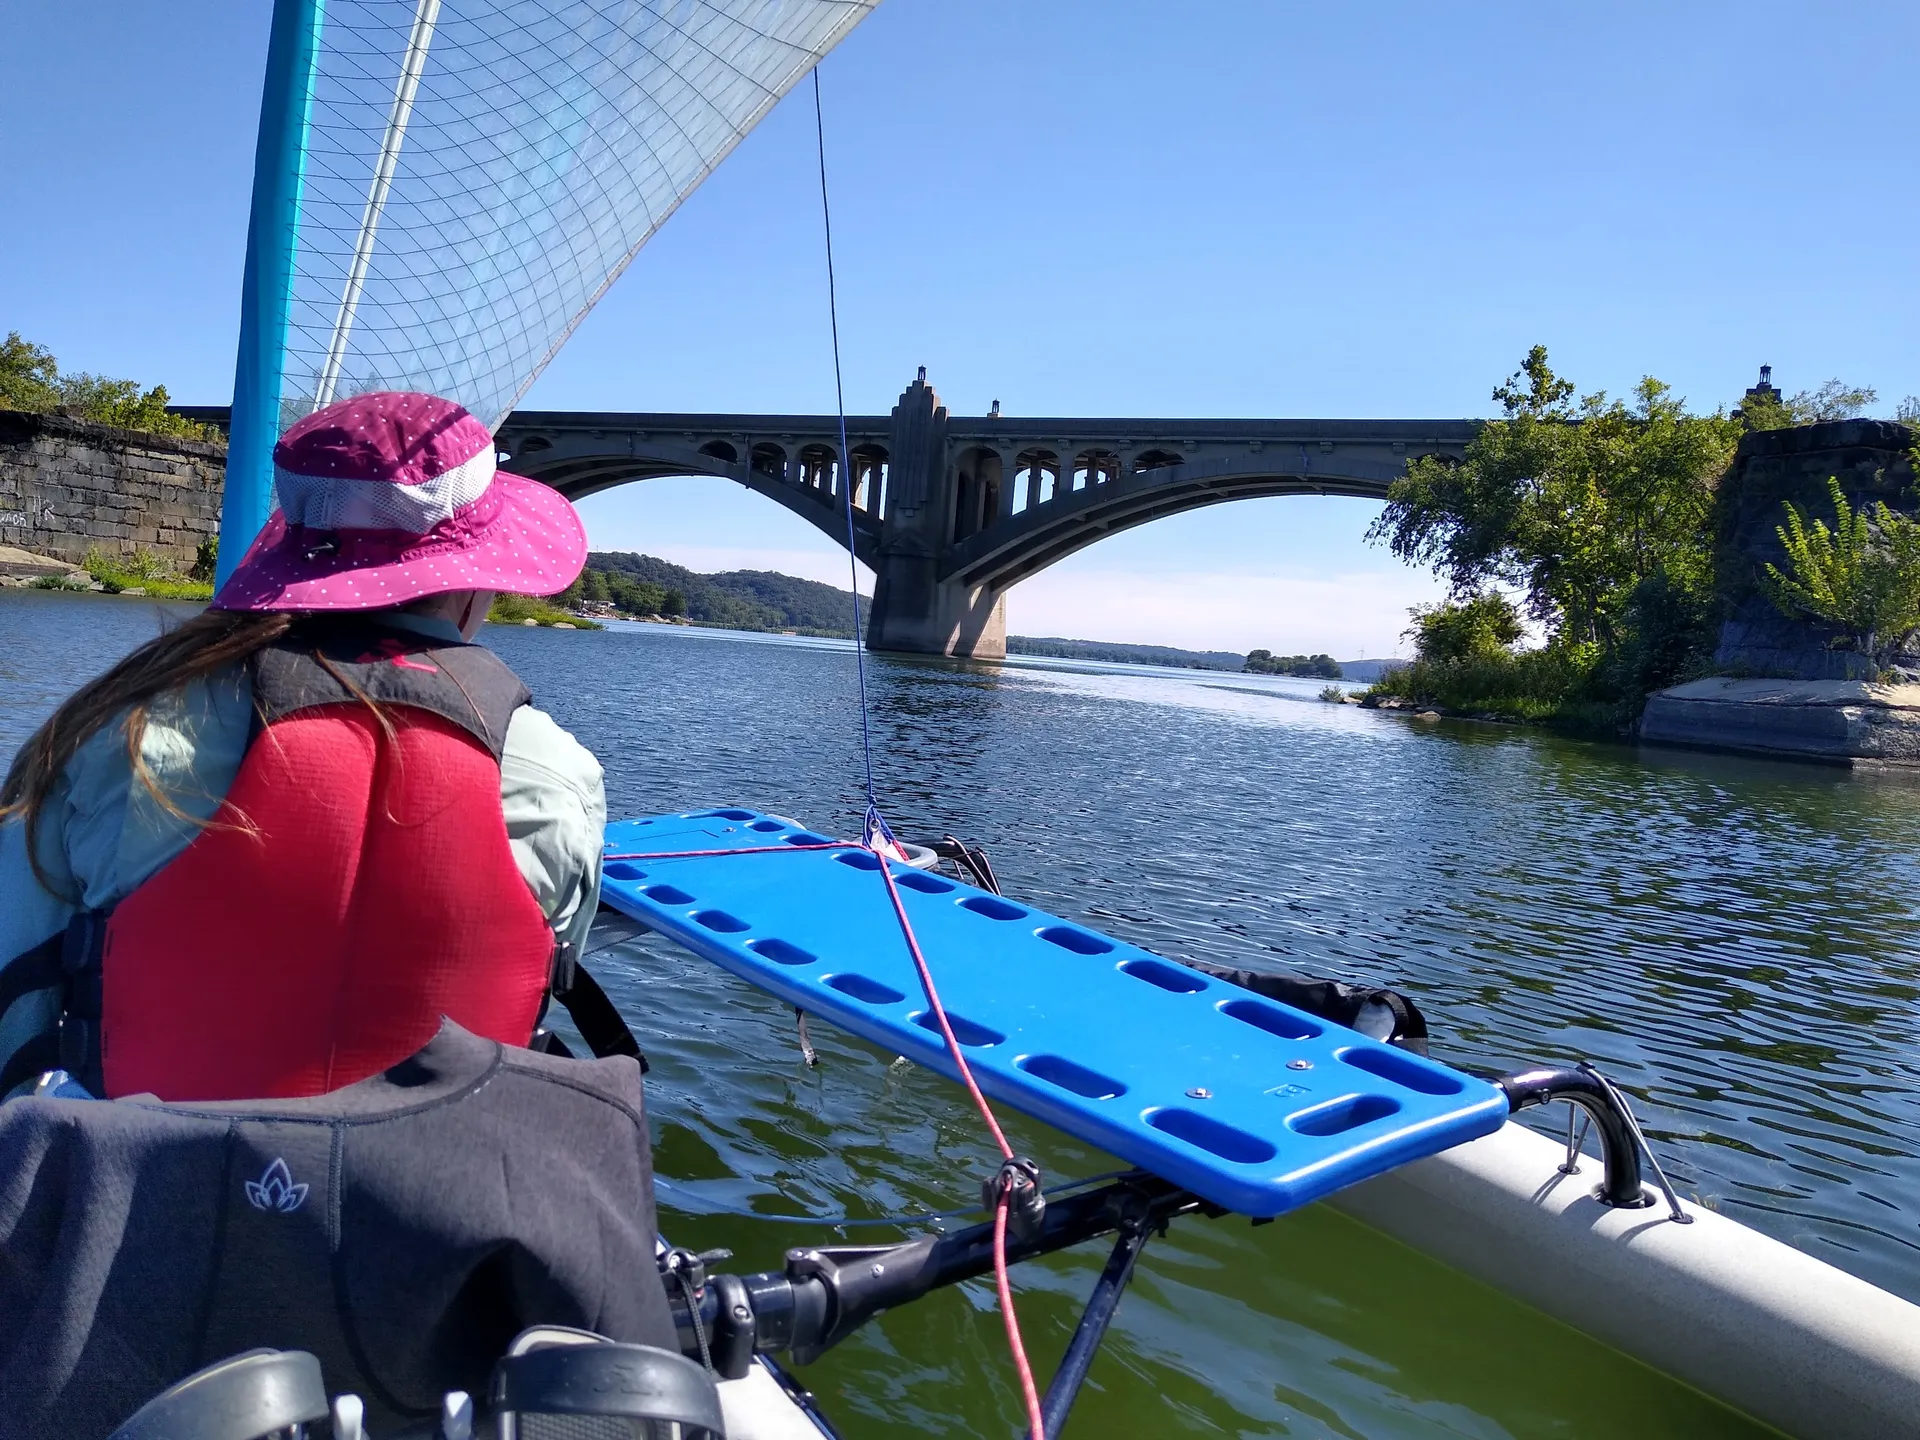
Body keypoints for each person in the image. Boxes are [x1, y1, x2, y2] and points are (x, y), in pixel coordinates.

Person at [0, 390, 607, 1102]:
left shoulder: (120, 731)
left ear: (290, 550)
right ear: (474, 578)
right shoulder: (555, 772)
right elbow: (532, 983)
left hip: (140, 1183)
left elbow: (19, 991)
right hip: (434, 1193)